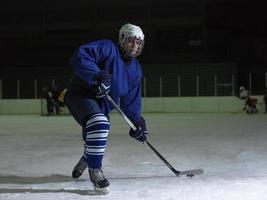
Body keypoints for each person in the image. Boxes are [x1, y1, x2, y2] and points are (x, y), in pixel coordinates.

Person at [64, 23, 148, 192]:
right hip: (81, 95)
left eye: (139, 43)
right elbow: (80, 56)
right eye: (131, 41)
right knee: (100, 123)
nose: (135, 45)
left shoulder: (136, 69)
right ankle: (95, 170)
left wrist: (136, 121)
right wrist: (97, 76)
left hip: (103, 103)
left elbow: (130, 100)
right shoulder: (107, 47)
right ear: (122, 39)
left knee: (99, 132)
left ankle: (88, 157)